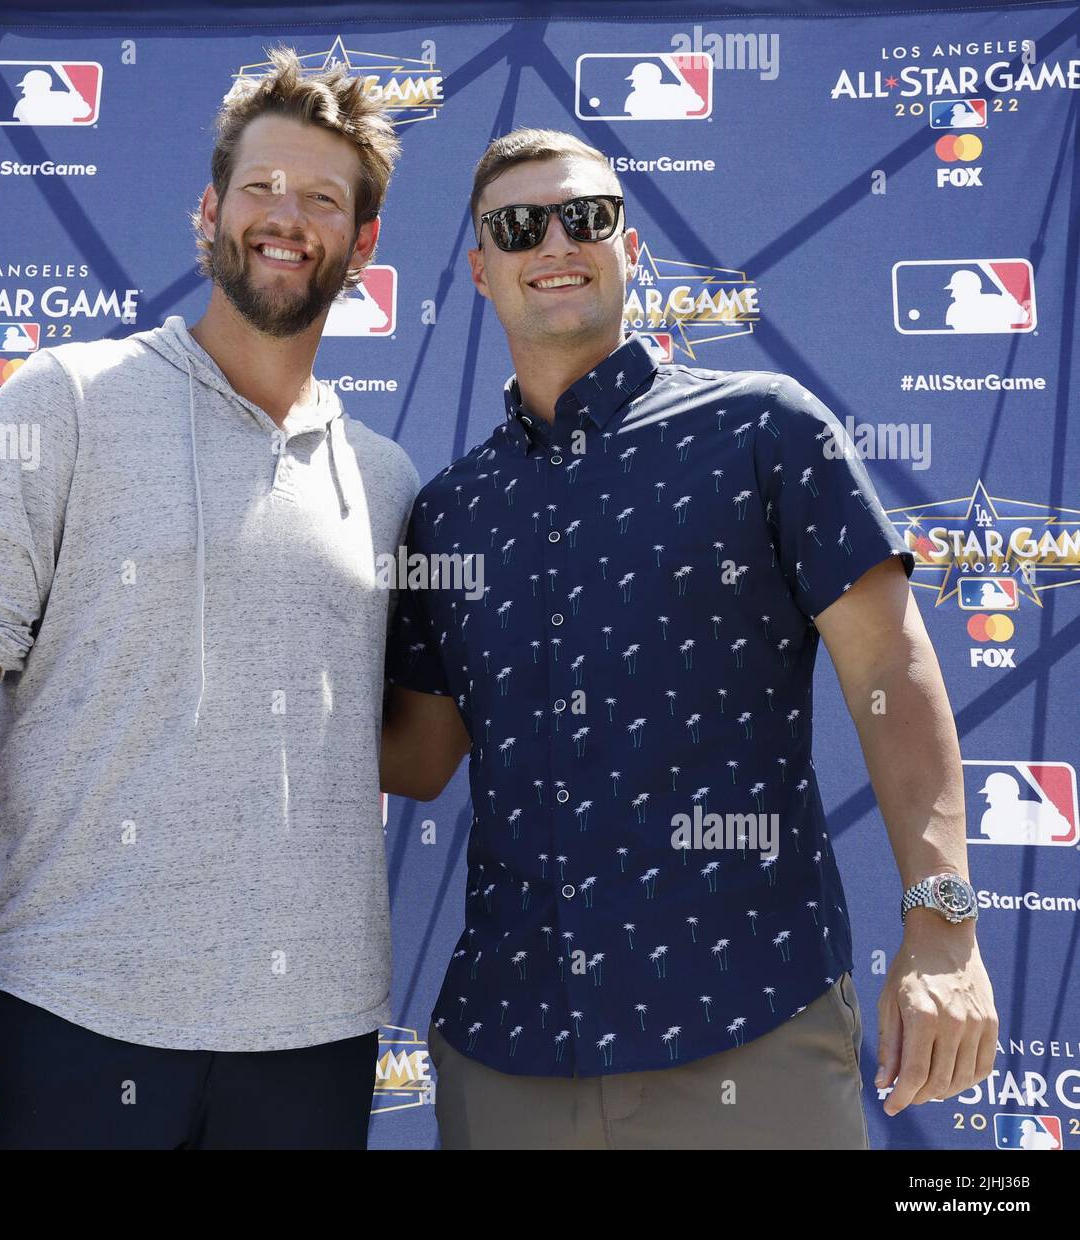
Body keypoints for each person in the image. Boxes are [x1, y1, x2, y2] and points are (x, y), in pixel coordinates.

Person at [380, 127, 997, 1150]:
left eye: (586, 215)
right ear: (481, 269)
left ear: (630, 245)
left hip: (752, 1026)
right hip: (509, 1054)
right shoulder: (451, 513)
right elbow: (418, 753)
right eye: (517, 225)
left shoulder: (766, 430)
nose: (556, 240)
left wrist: (942, 926)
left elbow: (890, 669)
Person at [0, 46, 418, 1151]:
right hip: (68, 1016)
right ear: (208, 211)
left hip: (312, 1045)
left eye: (321, 198)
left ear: (360, 246)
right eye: (260, 187)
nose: (285, 215)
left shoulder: (390, 478)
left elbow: (410, 748)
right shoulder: (67, 398)